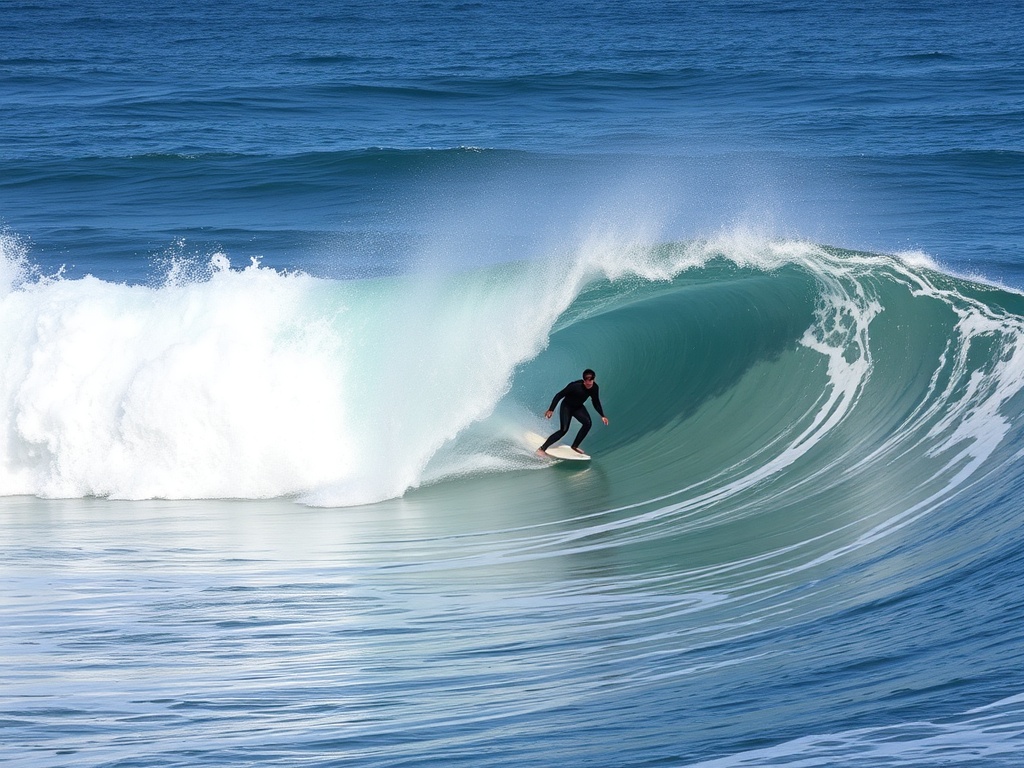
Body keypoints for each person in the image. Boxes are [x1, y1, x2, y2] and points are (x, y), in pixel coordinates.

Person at [537, 369, 609, 456]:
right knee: (564, 430)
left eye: (591, 382)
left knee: (588, 423)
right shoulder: (574, 386)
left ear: (594, 379)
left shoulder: (594, 388)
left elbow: (596, 402)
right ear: (584, 381)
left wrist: (602, 415)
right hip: (566, 407)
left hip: (578, 407)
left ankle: (575, 446)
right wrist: (551, 409)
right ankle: (542, 448)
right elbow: (559, 395)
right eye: (587, 383)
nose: (589, 385)